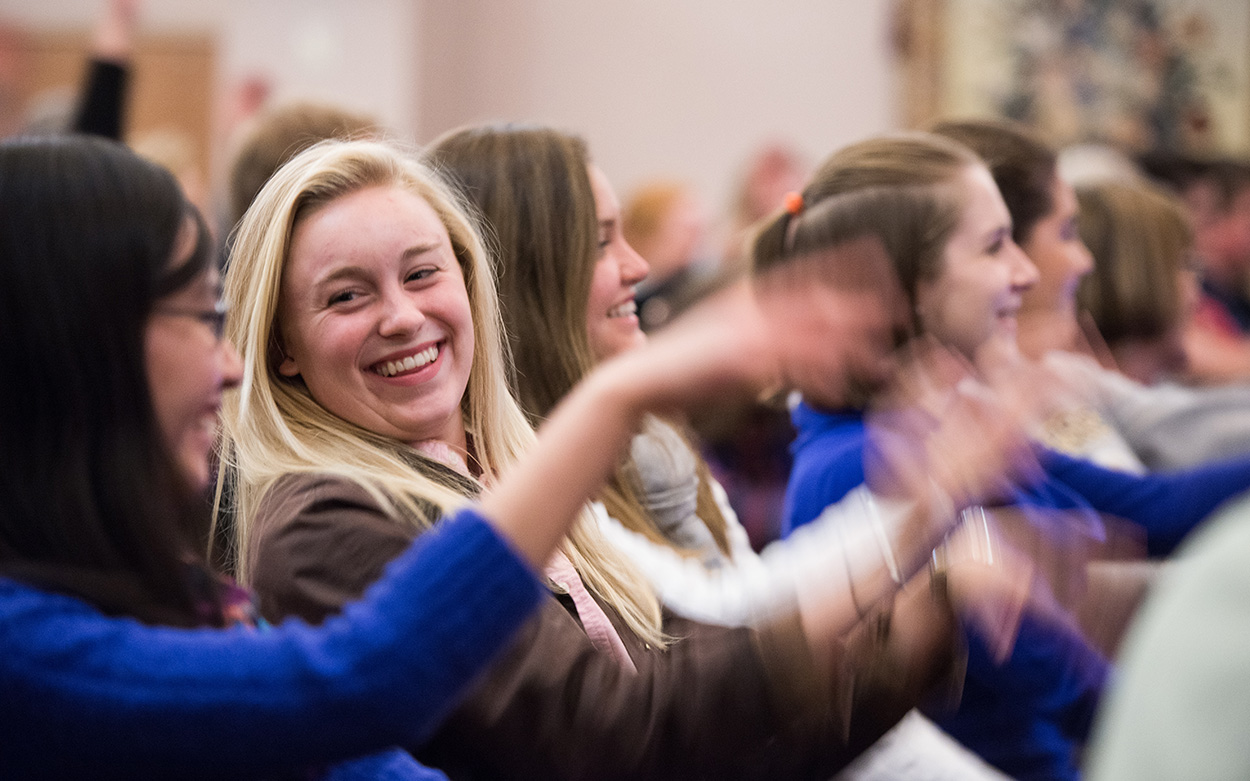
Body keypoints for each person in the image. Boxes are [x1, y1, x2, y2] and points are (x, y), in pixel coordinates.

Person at [224, 137, 1022, 780]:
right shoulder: (323, 523)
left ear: (473, 285)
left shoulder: (497, 466)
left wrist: (915, 623)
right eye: (346, 296)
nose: (402, 316)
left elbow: (700, 679)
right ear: (283, 348)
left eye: (424, 274)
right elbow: (613, 735)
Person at [0, 133, 586, 779]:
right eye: (201, 315)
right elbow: (355, 683)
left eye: (423, 273)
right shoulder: (21, 646)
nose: (229, 365)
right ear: (73, 353)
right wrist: (611, 408)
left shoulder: (172, 593)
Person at [757, 132, 1250, 781]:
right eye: (995, 246)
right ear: (907, 285)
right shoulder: (866, 466)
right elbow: (1060, 690)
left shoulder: (952, 424)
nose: (1025, 271)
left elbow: (1154, 510)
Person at [934, 119, 1250, 473]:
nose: (1085, 261)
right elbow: (1138, 505)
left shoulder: (1062, 375)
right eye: (1067, 233)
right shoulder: (961, 407)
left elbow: (1192, 429)